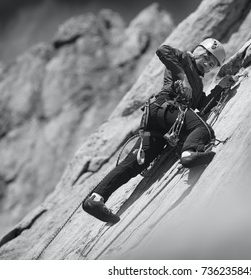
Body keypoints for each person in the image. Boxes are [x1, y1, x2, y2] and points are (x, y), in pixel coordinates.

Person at [82, 38, 236, 223]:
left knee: (135, 162)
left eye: (211, 64)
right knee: (203, 129)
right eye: (206, 58)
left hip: (158, 122)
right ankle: (188, 153)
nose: (207, 65)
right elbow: (163, 50)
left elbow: (201, 106)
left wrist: (220, 88)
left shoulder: (198, 85)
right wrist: (183, 78)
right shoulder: (183, 59)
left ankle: (95, 198)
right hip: (166, 107)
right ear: (197, 51)